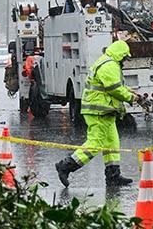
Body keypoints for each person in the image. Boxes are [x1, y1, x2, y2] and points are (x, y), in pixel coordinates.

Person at [55, 39, 142, 188]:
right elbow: (114, 88)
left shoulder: (106, 62)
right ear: (119, 55)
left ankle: (113, 176)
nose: (125, 62)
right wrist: (131, 98)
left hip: (104, 111)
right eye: (124, 58)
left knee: (112, 144)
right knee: (95, 144)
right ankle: (66, 166)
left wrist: (129, 91)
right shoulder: (110, 65)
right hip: (99, 111)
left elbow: (114, 85)